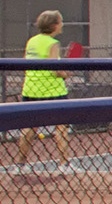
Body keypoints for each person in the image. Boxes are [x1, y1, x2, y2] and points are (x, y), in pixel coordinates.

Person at [14, 10, 74, 171]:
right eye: (60, 22)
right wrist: (67, 73)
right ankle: (64, 164)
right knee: (61, 128)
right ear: (54, 25)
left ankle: (20, 164)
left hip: (31, 90)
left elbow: (27, 63)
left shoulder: (31, 41)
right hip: (53, 91)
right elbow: (55, 69)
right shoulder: (53, 43)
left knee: (29, 128)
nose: (62, 25)